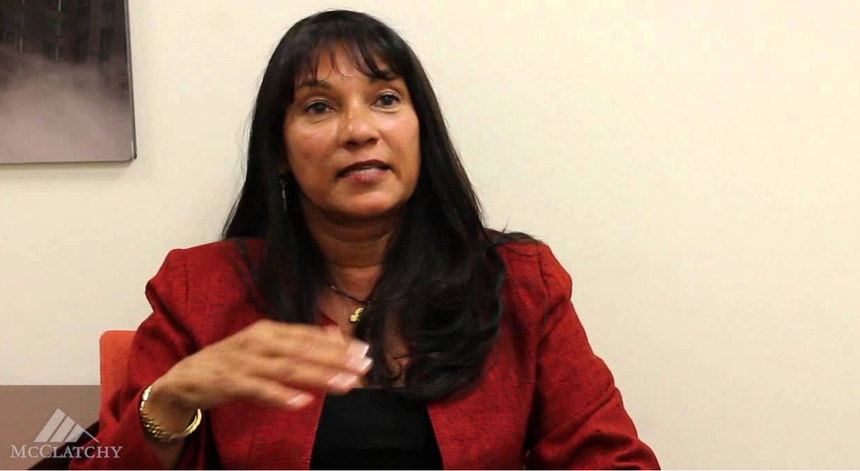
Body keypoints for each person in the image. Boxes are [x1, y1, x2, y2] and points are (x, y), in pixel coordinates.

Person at [70, 9, 659, 470]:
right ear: (279, 153)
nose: (359, 130)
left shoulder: (521, 281)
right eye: (319, 107)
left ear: (421, 129)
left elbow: (612, 460)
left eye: (385, 99)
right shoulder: (200, 289)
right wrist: (169, 401)